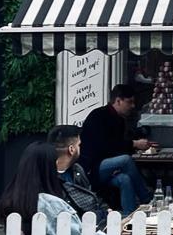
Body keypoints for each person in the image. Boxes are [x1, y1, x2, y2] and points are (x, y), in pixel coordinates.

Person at [80, 84, 151, 217]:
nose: (133, 106)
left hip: (104, 166)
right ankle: (147, 199)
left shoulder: (119, 120)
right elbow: (105, 146)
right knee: (125, 160)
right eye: (129, 102)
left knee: (125, 179)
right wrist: (134, 144)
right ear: (118, 101)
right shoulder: (99, 116)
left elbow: (115, 146)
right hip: (91, 168)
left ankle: (128, 217)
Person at [50, 124, 113, 222]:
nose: (80, 148)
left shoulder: (77, 170)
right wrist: (102, 214)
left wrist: (106, 209)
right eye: (79, 145)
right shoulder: (49, 176)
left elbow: (91, 195)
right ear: (71, 149)